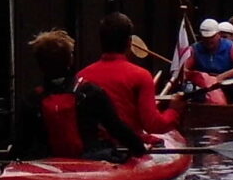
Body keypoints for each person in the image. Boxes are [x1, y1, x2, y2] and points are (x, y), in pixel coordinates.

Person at [13, 31, 148, 160]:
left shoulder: (31, 100)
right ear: (70, 60)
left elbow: (21, 142)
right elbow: (117, 128)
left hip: (48, 161)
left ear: (40, 65)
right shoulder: (91, 92)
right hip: (89, 160)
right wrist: (141, 149)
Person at [76, 13, 179, 140]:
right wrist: (174, 110)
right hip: (127, 150)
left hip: (93, 149)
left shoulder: (81, 76)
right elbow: (153, 125)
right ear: (130, 42)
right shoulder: (141, 76)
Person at [185, 17, 233, 103]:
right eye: (205, 38)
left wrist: (222, 76)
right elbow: (184, 70)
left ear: (218, 35)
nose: (208, 40)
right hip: (203, 90)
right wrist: (200, 77)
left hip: (229, 88)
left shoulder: (230, 46)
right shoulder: (194, 49)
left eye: (211, 37)